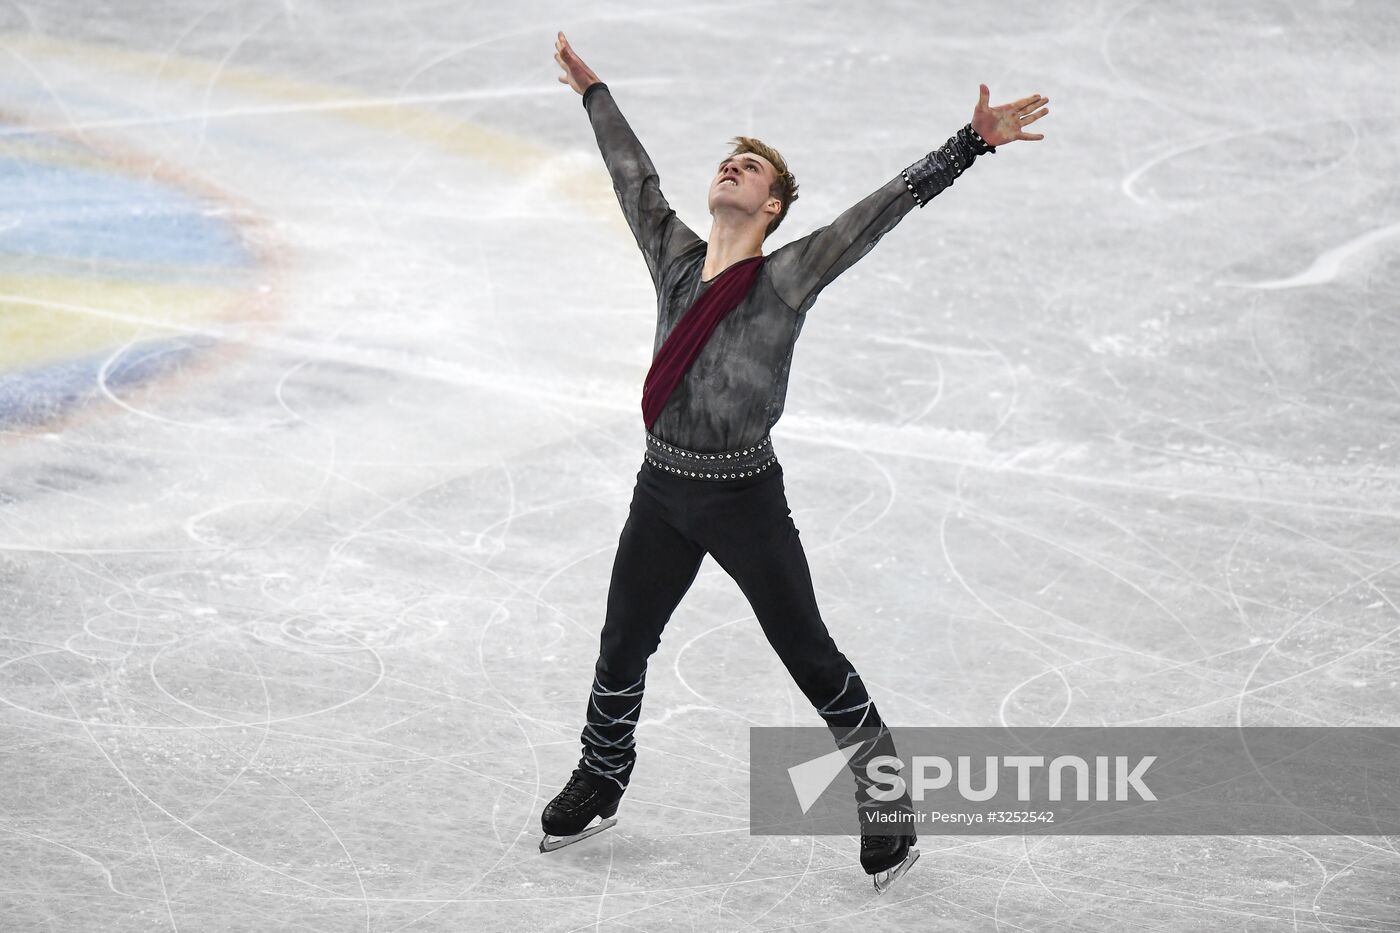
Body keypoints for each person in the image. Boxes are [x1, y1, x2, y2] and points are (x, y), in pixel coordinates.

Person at [541, 30, 1049, 893]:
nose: (733, 167)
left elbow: (880, 208)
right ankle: (603, 772)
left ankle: (887, 803)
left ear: (773, 208)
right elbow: (635, 176)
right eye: (728, 160)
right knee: (622, 641)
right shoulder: (673, 261)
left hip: (743, 497)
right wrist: (596, 94)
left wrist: (970, 145)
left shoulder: (787, 276)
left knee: (809, 652)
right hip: (662, 489)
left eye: (753, 168)